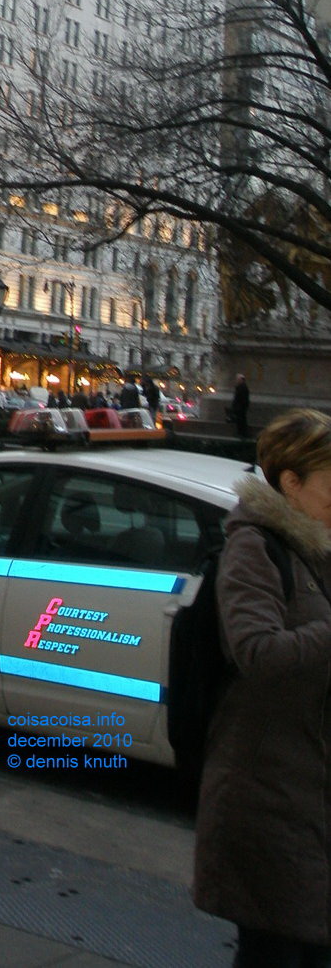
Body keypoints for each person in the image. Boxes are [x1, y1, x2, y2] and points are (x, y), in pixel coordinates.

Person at [193, 408, 331, 967]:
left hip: (310, 788)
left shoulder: (317, 546)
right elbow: (258, 651)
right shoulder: (256, 547)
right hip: (266, 793)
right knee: (279, 952)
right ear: (291, 483)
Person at [230, 374, 251, 443]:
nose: (237, 381)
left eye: (238, 379)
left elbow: (240, 398)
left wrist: (238, 406)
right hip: (240, 407)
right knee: (240, 420)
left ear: (242, 380)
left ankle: (242, 433)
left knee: (241, 420)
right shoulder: (241, 387)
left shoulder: (242, 387)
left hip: (240, 407)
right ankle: (242, 433)